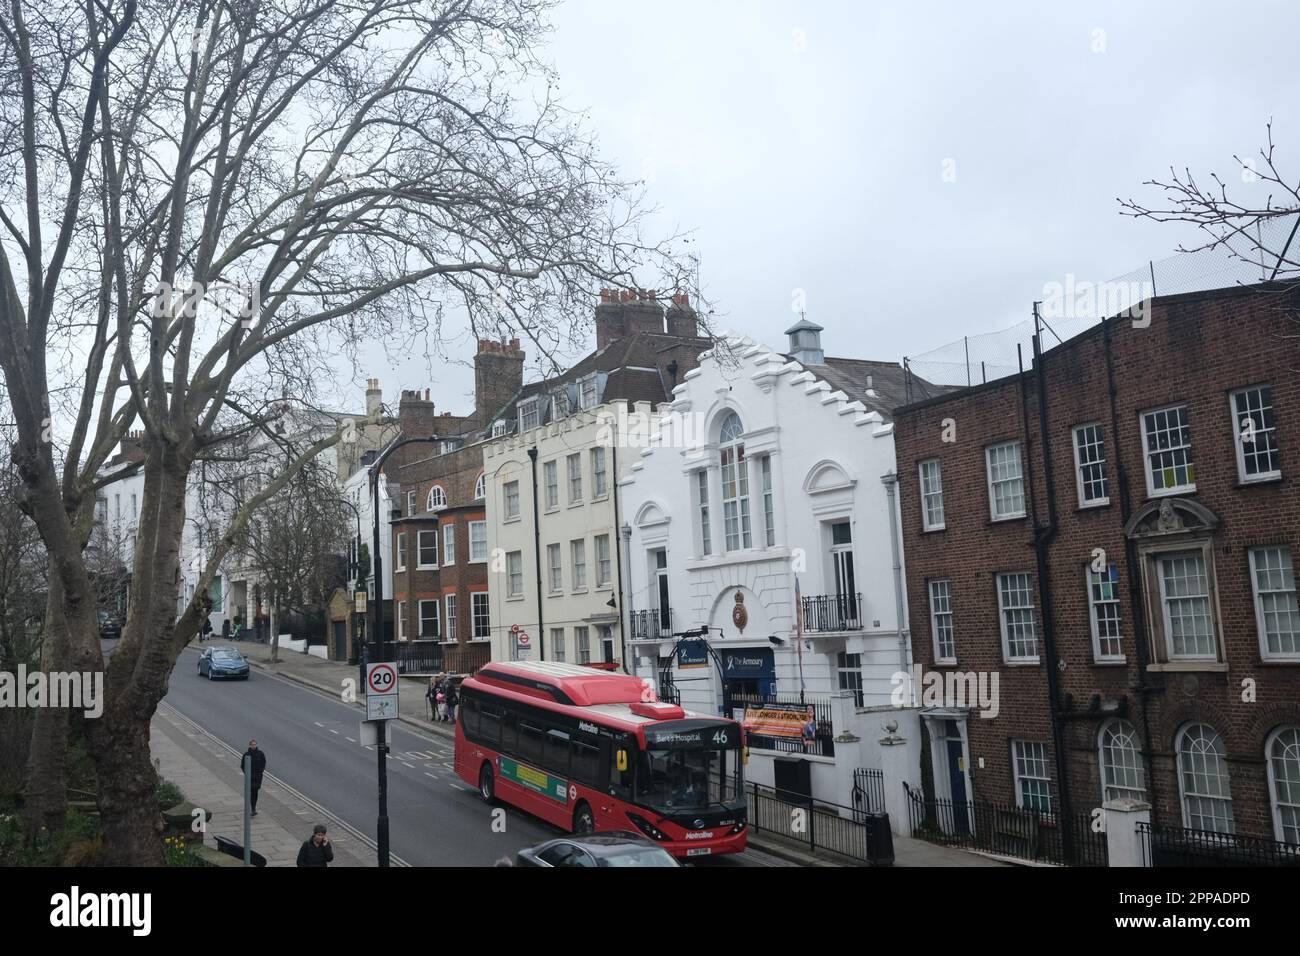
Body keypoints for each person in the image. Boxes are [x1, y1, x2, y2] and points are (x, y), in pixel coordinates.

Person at [240, 739, 266, 816]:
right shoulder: (246, 754)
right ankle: (252, 808)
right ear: (250, 745)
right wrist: (247, 773)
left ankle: (253, 807)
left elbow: (263, 763)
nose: (254, 746)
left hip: (258, 777)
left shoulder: (260, 753)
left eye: (255, 744)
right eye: (252, 745)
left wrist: (260, 771)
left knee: (255, 792)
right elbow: (242, 765)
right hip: (250, 777)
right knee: (250, 793)